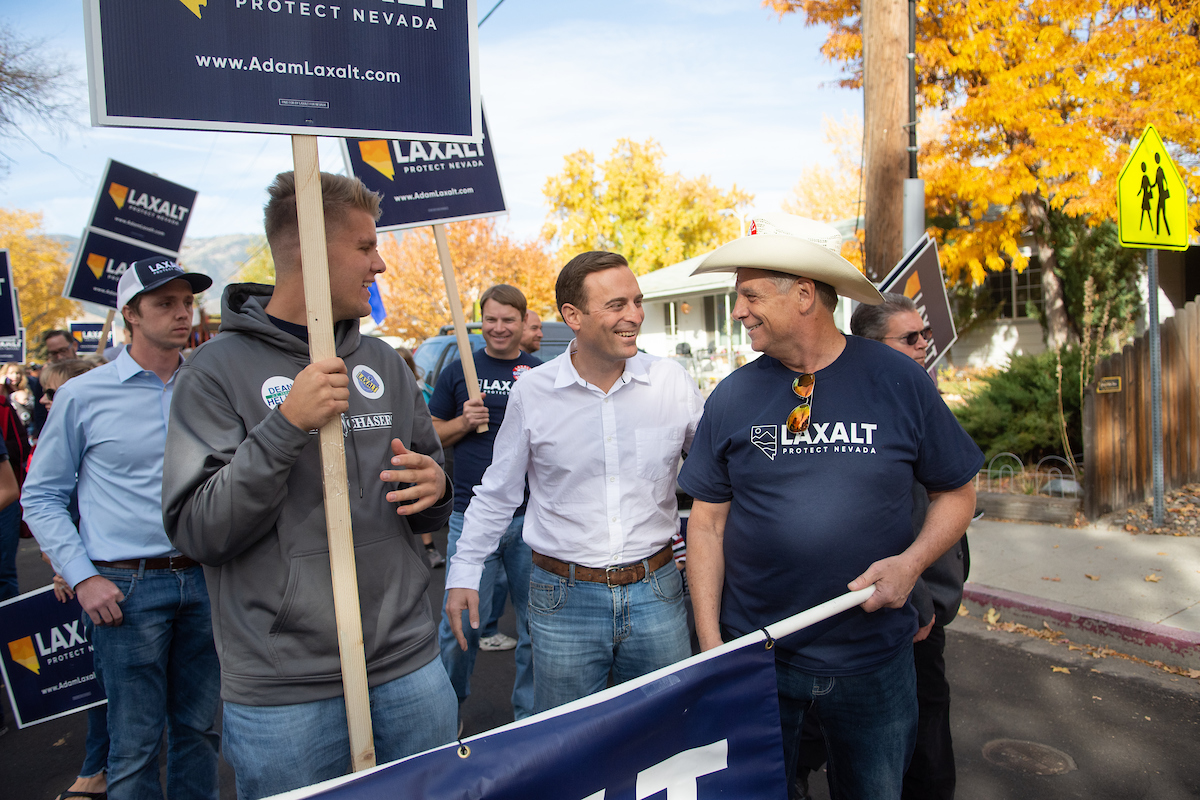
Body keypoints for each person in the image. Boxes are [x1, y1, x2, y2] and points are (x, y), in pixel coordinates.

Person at [161, 170, 456, 800]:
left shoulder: (382, 364)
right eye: (365, 246)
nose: (379, 263)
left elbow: (427, 499)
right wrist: (286, 424)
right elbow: (199, 530)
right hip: (284, 693)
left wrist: (436, 488)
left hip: (408, 665)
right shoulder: (214, 372)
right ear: (314, 250)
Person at [678, 214, 982, 800]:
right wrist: (713, 644)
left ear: (804, 295)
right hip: (757, 654)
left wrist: (912, 564)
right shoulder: (733, 396)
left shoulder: (899, 379)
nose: (738, 311)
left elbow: (958, 492)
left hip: (872, 661)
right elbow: (708, 524)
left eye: (749, 295)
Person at [445, 251, 703, 713]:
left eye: (638, 302)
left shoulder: (671, 382)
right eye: (617, 305)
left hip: (657, 591)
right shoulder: (534, 391)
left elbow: (719, 473)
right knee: (567, 742)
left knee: (663, 735)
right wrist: (464, 570)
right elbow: (498, 491)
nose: (635, 316)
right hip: (563, 599)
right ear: (573, 316)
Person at [23, 257, 220, 800]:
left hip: (206, 578)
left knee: (199, 733)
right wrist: (82, 576)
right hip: (123, 589)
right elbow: (40, 496)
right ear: (129, 313)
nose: (182, 313)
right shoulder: (83, 395)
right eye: (165, 304)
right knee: (132, 745)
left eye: (187, 302)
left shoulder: (208, 384)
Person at [850, 292, 969, 800]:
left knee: (929, 733)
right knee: (900, 748)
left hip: (929, 600)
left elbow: (952, 493)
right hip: (899, 606)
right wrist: (920, 599)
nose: (925, 344)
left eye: (924, 334)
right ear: (872, 348)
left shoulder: (922, 397)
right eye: (910, 338)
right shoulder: (864, 412)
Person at [430, 284, 541, 722]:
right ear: (481, 320)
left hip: (528, 521)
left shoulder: (537, 373)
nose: (498, 328)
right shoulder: (460, 370)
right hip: (467, 517)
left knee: (536, 628)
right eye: (490, 319)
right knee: (460, 625)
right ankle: (448, 713)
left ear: (522, 322)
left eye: (508, 319)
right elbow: (431, 434)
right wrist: (462, 421)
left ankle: (528, 719)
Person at [36, 357, 110, 800]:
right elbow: (44, 500)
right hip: (91, 577)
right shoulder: (59, 435)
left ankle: (99, 767)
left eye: (53, 391)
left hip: (110, 578)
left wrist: (74, 569)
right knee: (104, 687)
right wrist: (69, 567)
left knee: (108, 690)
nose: (45, 399)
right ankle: (99, 765)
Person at [395, 345, 447, 569]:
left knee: (419, 499)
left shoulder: (420, 389)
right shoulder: (381, 390)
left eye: (402, 364)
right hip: (395, 454)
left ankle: (429, 547)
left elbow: (427, 425)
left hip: (415, 454)